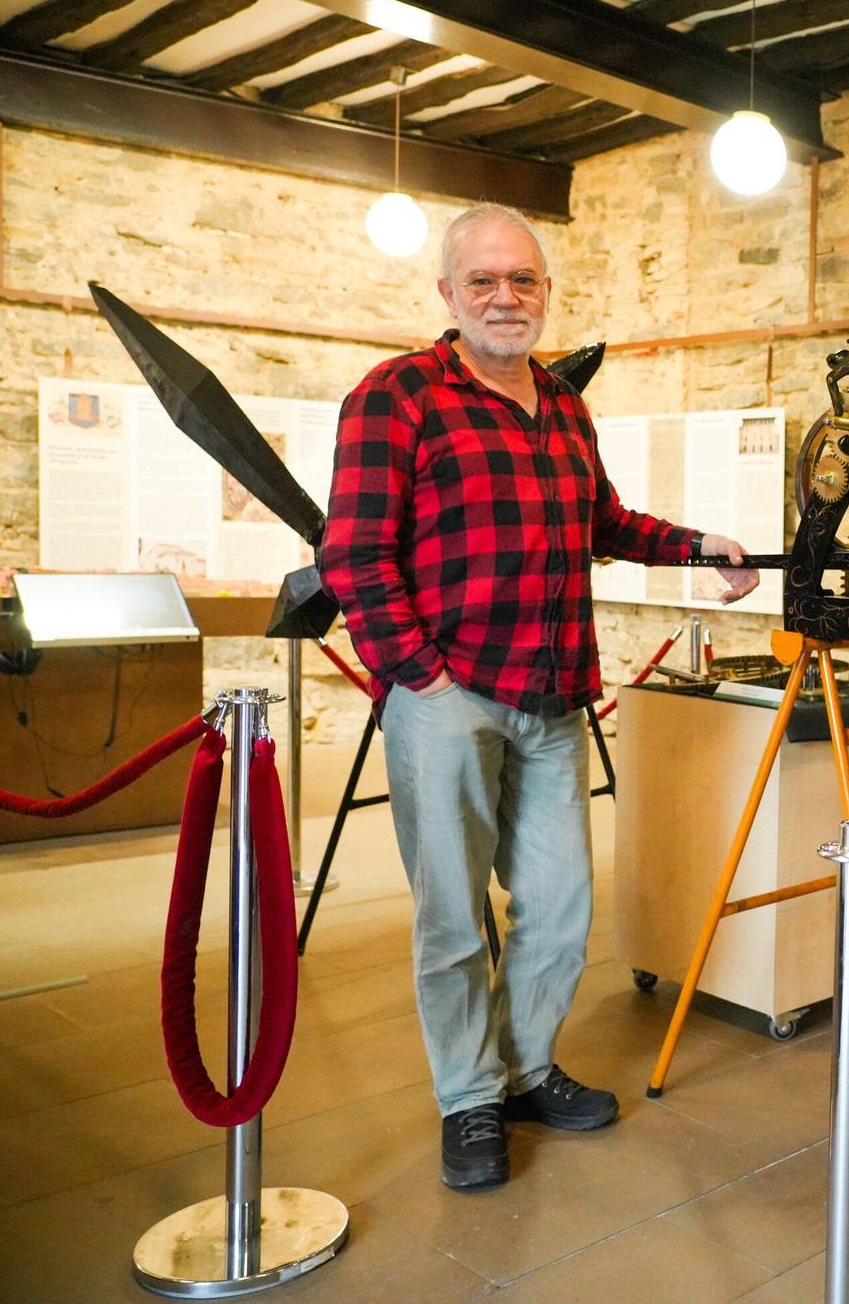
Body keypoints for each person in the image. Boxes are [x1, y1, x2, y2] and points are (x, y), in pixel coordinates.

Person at [321, 203, 759, 1191]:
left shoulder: (561, 406)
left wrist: (697, 544)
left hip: (552, 692)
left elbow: (601, 518)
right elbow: (350, 550)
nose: (505, 297)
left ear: (545, 293)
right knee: (452, 918)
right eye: (483, 281)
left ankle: (521, 1071)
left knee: (560, 905)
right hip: (448, 695)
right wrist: (416, 671)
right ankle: (469, 1097)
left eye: (523, 280)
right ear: (448, 294)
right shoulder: (397, 396)